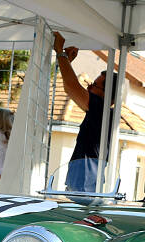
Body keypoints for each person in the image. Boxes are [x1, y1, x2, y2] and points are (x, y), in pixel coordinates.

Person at [53, 31, 117, 192]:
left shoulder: (101, 109)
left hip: (84, 186)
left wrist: (60, 52)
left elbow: (72, 87)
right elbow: (71, 87)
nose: (89, 87)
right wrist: (65, 61)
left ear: (107, 94)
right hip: (85, 184)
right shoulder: (104, 113)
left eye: (94, 86)